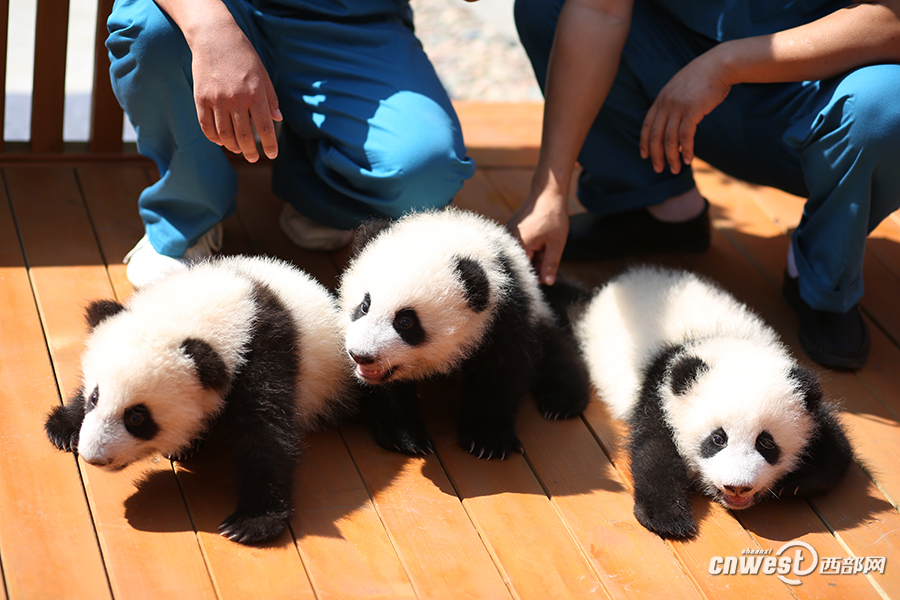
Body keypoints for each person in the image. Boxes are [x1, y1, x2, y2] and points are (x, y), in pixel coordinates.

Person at [509, 0, 900, 369]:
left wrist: (725, 65)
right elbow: (599, 9)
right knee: (549, 6)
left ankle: (823, 271)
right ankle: (653, 206)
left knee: (889, 105)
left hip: (826, 94)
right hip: (678, 74)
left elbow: (891, 19)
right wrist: (550, 191)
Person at [107, 0, 476, 289]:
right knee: (151, 33)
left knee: (423, 171)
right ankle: (188, 211)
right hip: (223, 7)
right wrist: (209, 26)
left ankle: (314, 191)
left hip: (353, 18)